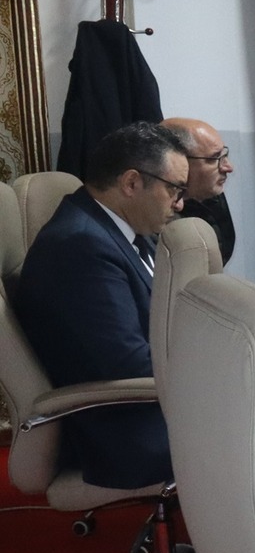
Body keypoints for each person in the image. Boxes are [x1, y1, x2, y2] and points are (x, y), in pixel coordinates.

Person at [14, 123, 187, 488]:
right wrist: (218, 370)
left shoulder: (123, 229)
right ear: (132, 183)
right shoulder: (80, 246)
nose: (180, 203)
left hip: (150, 404)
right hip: (124, 430)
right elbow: (128, 362)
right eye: (174, 189)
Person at [162, 117, 236, 264]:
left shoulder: (211, 196)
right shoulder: (154, 216)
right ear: (180, 161)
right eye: (214, 158)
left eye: (224, 155)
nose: (228, 167)